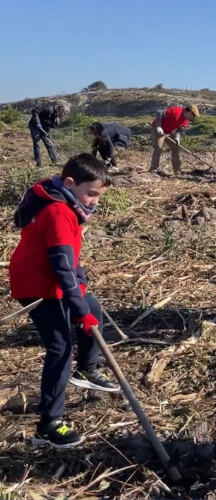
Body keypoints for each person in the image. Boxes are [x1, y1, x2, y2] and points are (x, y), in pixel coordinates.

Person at [8, 154, 119, 449]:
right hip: (36, 285)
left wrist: (81, 290)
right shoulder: (59, 212)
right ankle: (48, 425)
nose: (95, 201)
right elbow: (61, 265)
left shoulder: (68, 204)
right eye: (91, 193)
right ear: (70, 183)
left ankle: (86, 367)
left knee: (92, 306)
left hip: (51, 279)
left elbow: (70, 259)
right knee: (60, 346)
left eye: (99, 196)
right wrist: (78, 309)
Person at [150, 105, 199, 174]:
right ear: (189, 112)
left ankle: (177, 170)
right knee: (158, 148)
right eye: (193, 115)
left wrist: (177, 137)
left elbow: (180, 129)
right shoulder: (175, 111)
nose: (193, 117)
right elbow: (159, 113)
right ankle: (154, 169)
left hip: (168, 131)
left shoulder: (185, 120)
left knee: (175, 148)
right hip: (158, 129)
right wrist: (158, 126)